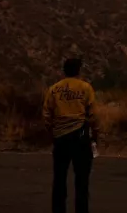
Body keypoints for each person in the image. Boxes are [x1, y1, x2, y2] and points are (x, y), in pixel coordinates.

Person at [44, 57, 98, 213]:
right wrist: (95, 134)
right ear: (78, 70)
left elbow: (47, 115)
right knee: (82, 181)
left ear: (64, 71)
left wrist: (52, 133)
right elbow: (93, 114)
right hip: (80, 137)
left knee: (59, 179)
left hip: (60, 138)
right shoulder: (85, 88)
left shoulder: (54, 89)